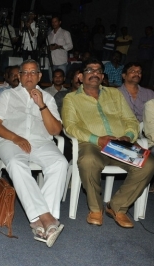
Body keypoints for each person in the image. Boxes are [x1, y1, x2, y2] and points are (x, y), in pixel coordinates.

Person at [62, 58, 154, 228]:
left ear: (103, 76)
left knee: (148, 164)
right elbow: (70, 126)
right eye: (90, 70)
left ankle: (117, 206)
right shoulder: (71, 98)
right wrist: (98, 139)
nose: (95, 73)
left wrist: (128, 135)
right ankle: (96, 209)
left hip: (119, 144)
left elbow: (131, 120)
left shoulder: (114, 94)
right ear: (80, 77)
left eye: (98, 71)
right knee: (88, 161)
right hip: (92, 144)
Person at [0, 59, 67, 247]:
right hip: (12, 141)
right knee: (16, 164)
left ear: (40, 76)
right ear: (20, 76)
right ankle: (47, 218)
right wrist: (15, 138)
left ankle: (41, 224)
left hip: (41, 142)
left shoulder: (47, 98)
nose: (30, 76)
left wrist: (41, 105)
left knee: (60, 163)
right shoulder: (7, 95)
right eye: (25, 72)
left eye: (34, 72)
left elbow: (56, 130)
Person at [47, 16, 73, 81]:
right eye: (52, 22)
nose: (54, 23)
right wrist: (49, 48)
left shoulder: (65, 33)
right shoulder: (49, 34)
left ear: (60, 22)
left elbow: (70, 45)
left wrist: (59, 46)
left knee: (61, 82)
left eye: (55, 21)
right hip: (51, 62)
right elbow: (47, 47)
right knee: (52, 82)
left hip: (61, 62)